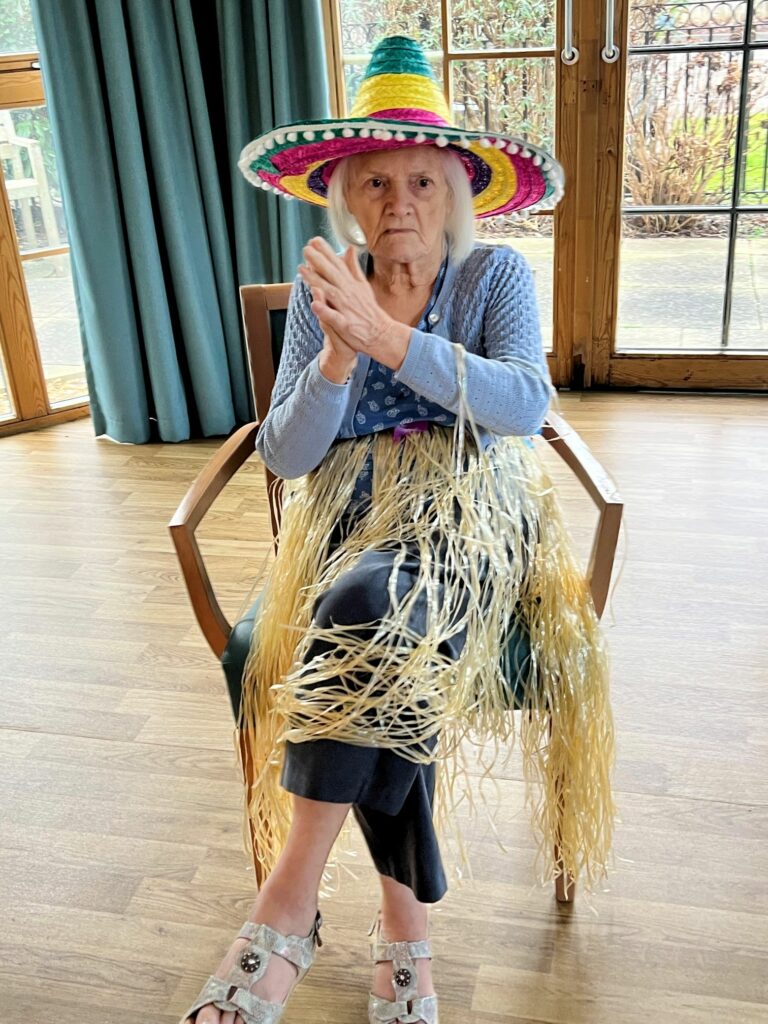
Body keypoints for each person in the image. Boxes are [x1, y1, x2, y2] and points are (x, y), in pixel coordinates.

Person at [179, 35, 616, 1024]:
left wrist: (388, 339)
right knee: (372, 609)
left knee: (370, 606)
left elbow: (523, 404)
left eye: (422, 180)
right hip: (347, 525)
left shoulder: (494, 277)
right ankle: (403, 925)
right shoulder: (323, 297)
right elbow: (288, 456)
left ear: (456, 192)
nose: (400, 202)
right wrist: (337, 356)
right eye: (375, 181)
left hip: (472, 523)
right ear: (345, 194)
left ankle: (287, 909)